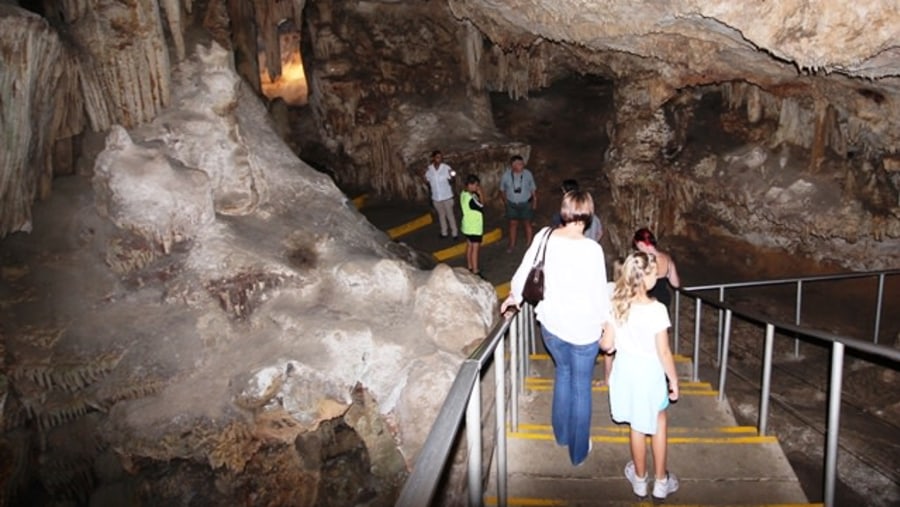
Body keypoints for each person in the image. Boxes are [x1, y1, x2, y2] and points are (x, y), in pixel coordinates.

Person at [501, 190, 609, 466]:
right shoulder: (592, 250)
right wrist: (607, 324)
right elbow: (599, 294)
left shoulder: (545, 237)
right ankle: (577, 451)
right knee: (581, 387)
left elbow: (525, 271)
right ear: (588, 215)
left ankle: (561, 434)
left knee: (563, 373)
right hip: (584, 331)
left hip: (551, 325)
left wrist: (515, 297)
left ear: (564, 212)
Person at [600, 252, 680, 500]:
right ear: (645, 279)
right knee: (658, 423)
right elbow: (664, 352)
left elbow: (606, 345)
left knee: (636, 426)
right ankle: (661, 481)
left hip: (626, 372)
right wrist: (674, 380)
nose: (657, 274)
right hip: (649, 373)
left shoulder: (617, 304)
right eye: (654, 272)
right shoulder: (657, 310)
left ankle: (640, 480)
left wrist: (610, 340)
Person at [632, 228, 680, 311]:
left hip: (648, 301)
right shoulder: (668, 259)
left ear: (641, 244)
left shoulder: (644, 261)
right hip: (663, 300)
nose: (639, 250)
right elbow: (676, 284)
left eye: (638, 247)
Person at [498, 155, 537, 252]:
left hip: (526, 203)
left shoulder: (528, 174)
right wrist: (505, 201)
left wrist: (535, 201)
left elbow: (533, 188)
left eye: (522, 163)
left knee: (527, 223)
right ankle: (512, 244)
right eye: (519, 164)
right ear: (513, 165)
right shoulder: (506, 175)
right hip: (512, 204)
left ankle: (529, 244)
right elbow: (502, 189)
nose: (522, 165)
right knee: (513, 224)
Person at [424, 150, 458, 239]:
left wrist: (452, 176)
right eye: (437, 157)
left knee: (450, 215)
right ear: (433, 158)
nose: (440, 159)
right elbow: (427, 180)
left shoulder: (446, 168)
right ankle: (444, 232)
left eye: (441, 157)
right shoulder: (430, 169)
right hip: (436, 197)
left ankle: (454, 233)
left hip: (446, 196)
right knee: (441, 215)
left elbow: (452, 180)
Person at [460, 174, 485, 277]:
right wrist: (481, 194)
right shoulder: (471, 198)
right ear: (470, 185)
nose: (477, 187)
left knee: (469, 246)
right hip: (474, 227)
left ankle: (470, 266)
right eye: (475, 185)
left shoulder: (463, 194)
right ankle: (475, 270)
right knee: (475, 248)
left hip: (467, 225)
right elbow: (482, 204)